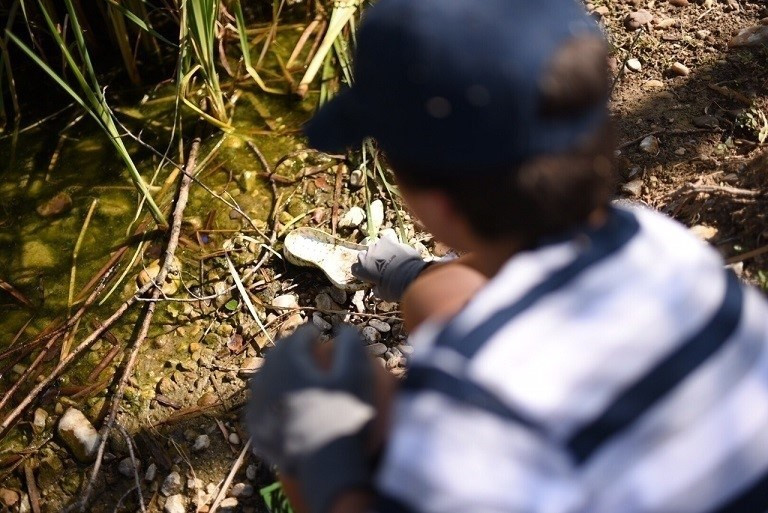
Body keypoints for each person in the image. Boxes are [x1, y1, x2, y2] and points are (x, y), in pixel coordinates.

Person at [246, 0, 768, 512]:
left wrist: (315, 456)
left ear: (436, 205)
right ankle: (409, 274)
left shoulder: (474, 395)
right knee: (432, 296)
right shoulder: (661, 243)